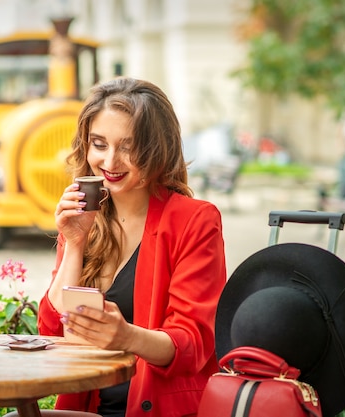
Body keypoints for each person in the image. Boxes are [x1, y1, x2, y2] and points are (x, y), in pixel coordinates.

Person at [37, 77, 227, 416]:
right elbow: (53, 330)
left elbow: (193, 345)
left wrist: (126, 337)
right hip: (89, 405)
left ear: (158, 148)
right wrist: (75, 242)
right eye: (99, 144)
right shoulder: (84, 216)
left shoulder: (194, 221)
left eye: (128, 147)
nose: (110, 162)